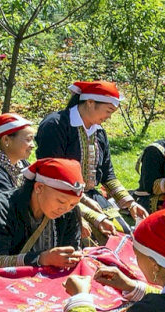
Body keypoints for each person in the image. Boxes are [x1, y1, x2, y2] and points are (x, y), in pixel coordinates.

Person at [35, 80, 147, 237]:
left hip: (91, 195)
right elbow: (50, 175)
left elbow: (107, 174)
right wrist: (89, 214)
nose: (109, 117)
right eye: (108, 111)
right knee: (93, 240)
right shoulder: (56, 125)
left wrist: (130, 203)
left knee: (124, 234)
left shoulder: (99, 132)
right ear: (90, 102)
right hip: (58, 197)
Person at [0, 158, 85, 270]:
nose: (65, 209)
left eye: (73, 204)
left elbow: (72, 250)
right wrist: (41, 258)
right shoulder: (1, 209)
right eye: (61, 201)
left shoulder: (70, 213)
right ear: (39, 187)